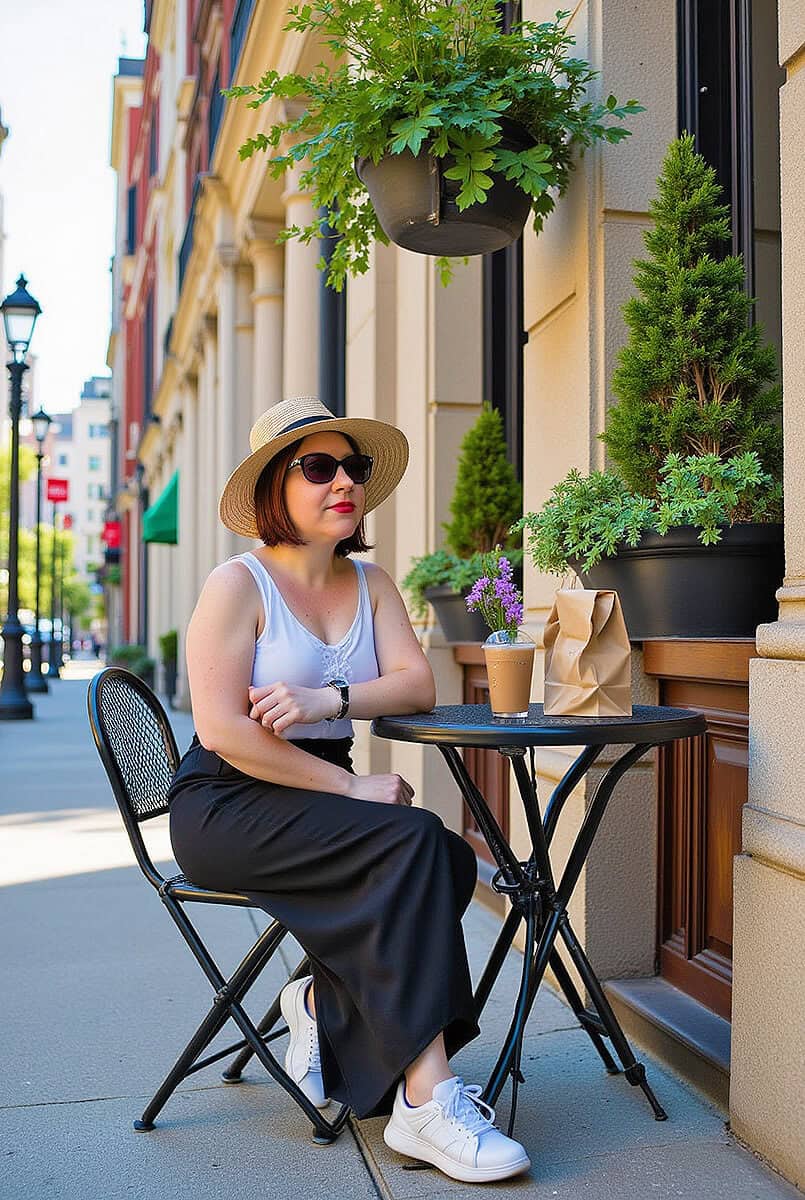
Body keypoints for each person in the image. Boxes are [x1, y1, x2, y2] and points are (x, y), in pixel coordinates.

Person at [166, 396, 530, 1184]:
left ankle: (326, 1008)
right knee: (411, 842)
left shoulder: (370, 584)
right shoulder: (237, 586)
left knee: (438, 849)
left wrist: (331, 701)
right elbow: (226, 731)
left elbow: (413, 684)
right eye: (319, 467)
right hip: (226, 803)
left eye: (353, 468)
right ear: (273, 488)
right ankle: (424, 1101)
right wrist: (348, 782)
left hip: (318, 801)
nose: (344, 482)